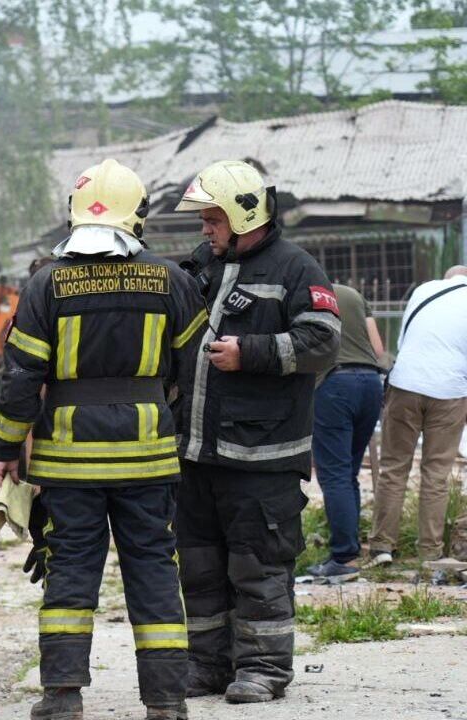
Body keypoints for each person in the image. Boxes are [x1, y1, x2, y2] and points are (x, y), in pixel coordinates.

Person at [0, 159, 207, 720]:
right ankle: (166, 700)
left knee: (71, 572)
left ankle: (62, 696)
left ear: (75, 214)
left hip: (69, 462)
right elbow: (196, 369)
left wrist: (5, 448)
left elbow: (21, 378)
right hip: (148, 457)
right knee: (155, 569)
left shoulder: (46, 283)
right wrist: (176, 429)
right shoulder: (171, 279)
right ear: (137, 216)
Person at [173, 160, 340, 703]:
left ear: (247, 216)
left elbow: (323, 345)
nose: (206, 229)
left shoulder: (297, 269)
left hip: (263, 457)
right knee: (198, 568)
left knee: (258, 566)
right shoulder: (202, 266)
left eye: (214, 219)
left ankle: (264, 670)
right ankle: (206, 668)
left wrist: (251, 352)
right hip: (197, 453)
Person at [367, 265, 467, 564]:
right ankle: (430, 552)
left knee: (393, 468)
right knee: (436, 473)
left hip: (405, 384)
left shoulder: (423, 291)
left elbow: (403, 342)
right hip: (450, 389)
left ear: (447, 279)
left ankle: (382, 548)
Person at [308, 283, 385, 582]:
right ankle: (349, 550)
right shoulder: (353, 295)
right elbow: (378, 349)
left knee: (335, 474)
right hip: (369, 383)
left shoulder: (306, 292)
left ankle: (343, 557)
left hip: (334, 384)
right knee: (348, 471)